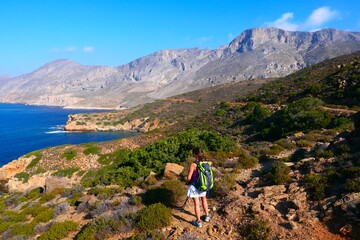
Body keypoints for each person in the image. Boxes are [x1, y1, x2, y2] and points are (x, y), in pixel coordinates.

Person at [186, 147, 211, 227]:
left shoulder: (193, 164)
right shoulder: (206, 163)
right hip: (203, 185)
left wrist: (189, 182)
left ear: (194, 154)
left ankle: (198, 221)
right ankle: (207, 216)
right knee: (204, 200)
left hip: (195, 186)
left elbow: (189, 178)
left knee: (196, 203)